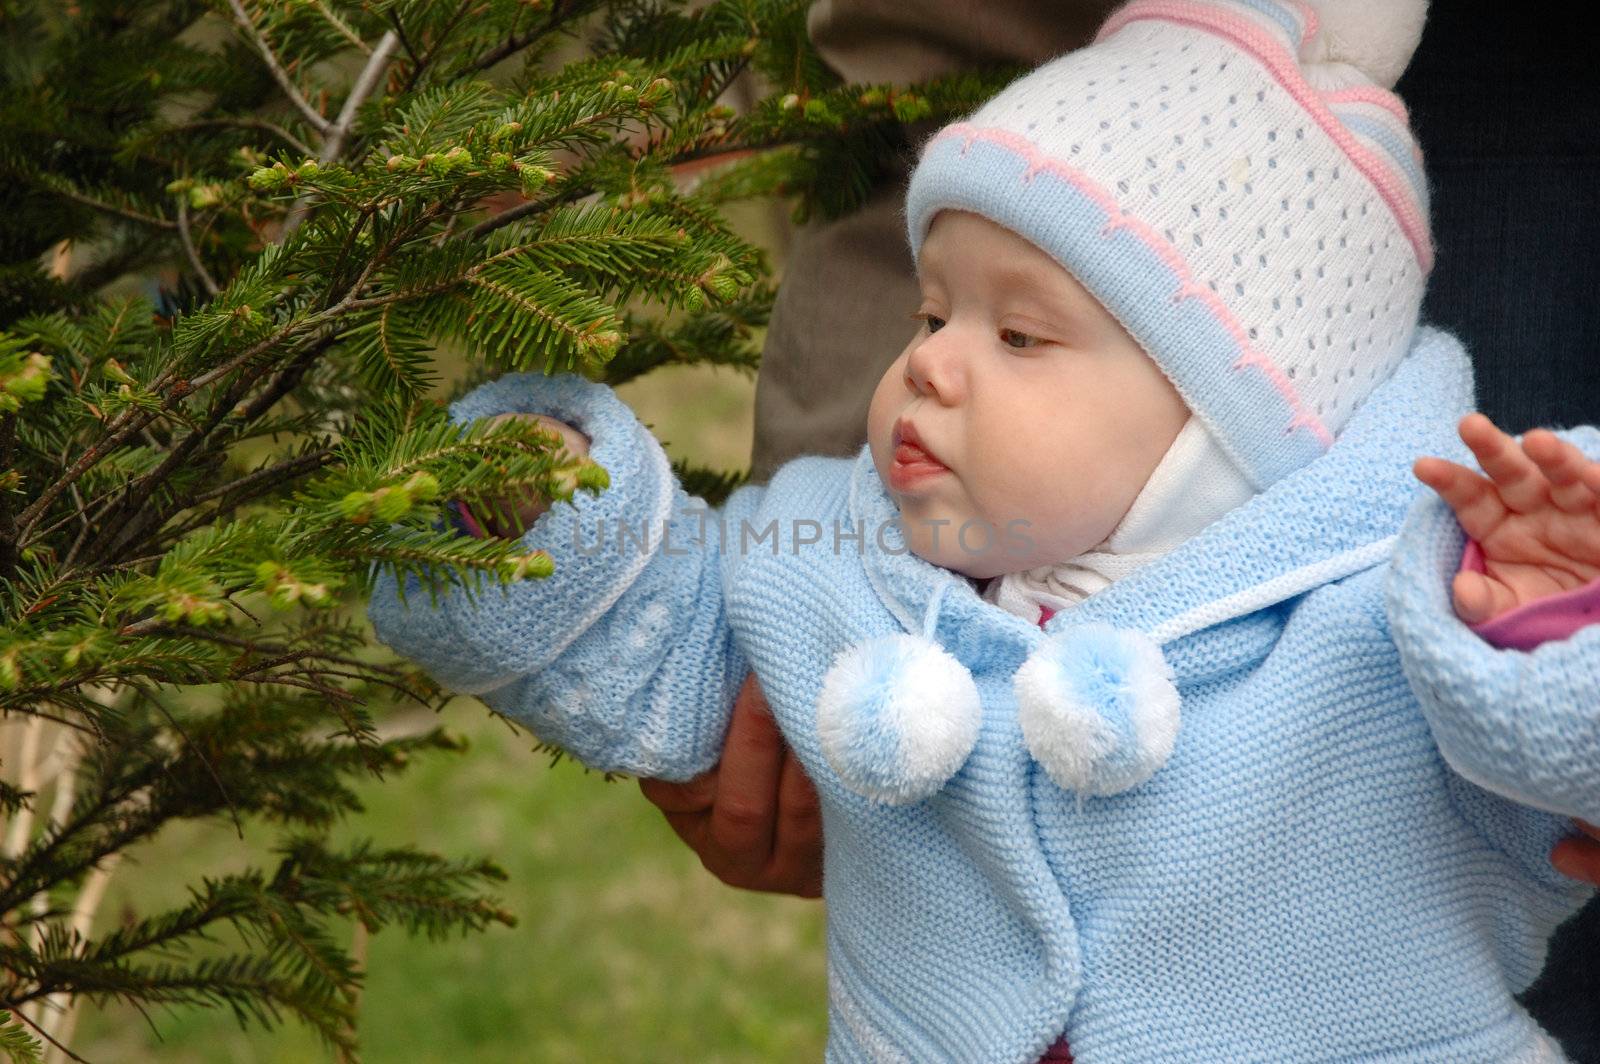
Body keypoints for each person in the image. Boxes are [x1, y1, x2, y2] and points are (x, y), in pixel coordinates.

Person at [367, 1, 1600, 1059]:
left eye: (1017, 336)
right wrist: (538, 514)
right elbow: (666, 645)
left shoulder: (1388, 634)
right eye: (931, 312)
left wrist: (1550, 620)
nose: (929, 368)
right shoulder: (846, 563)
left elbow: (1558, 755)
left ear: (1226, 426)